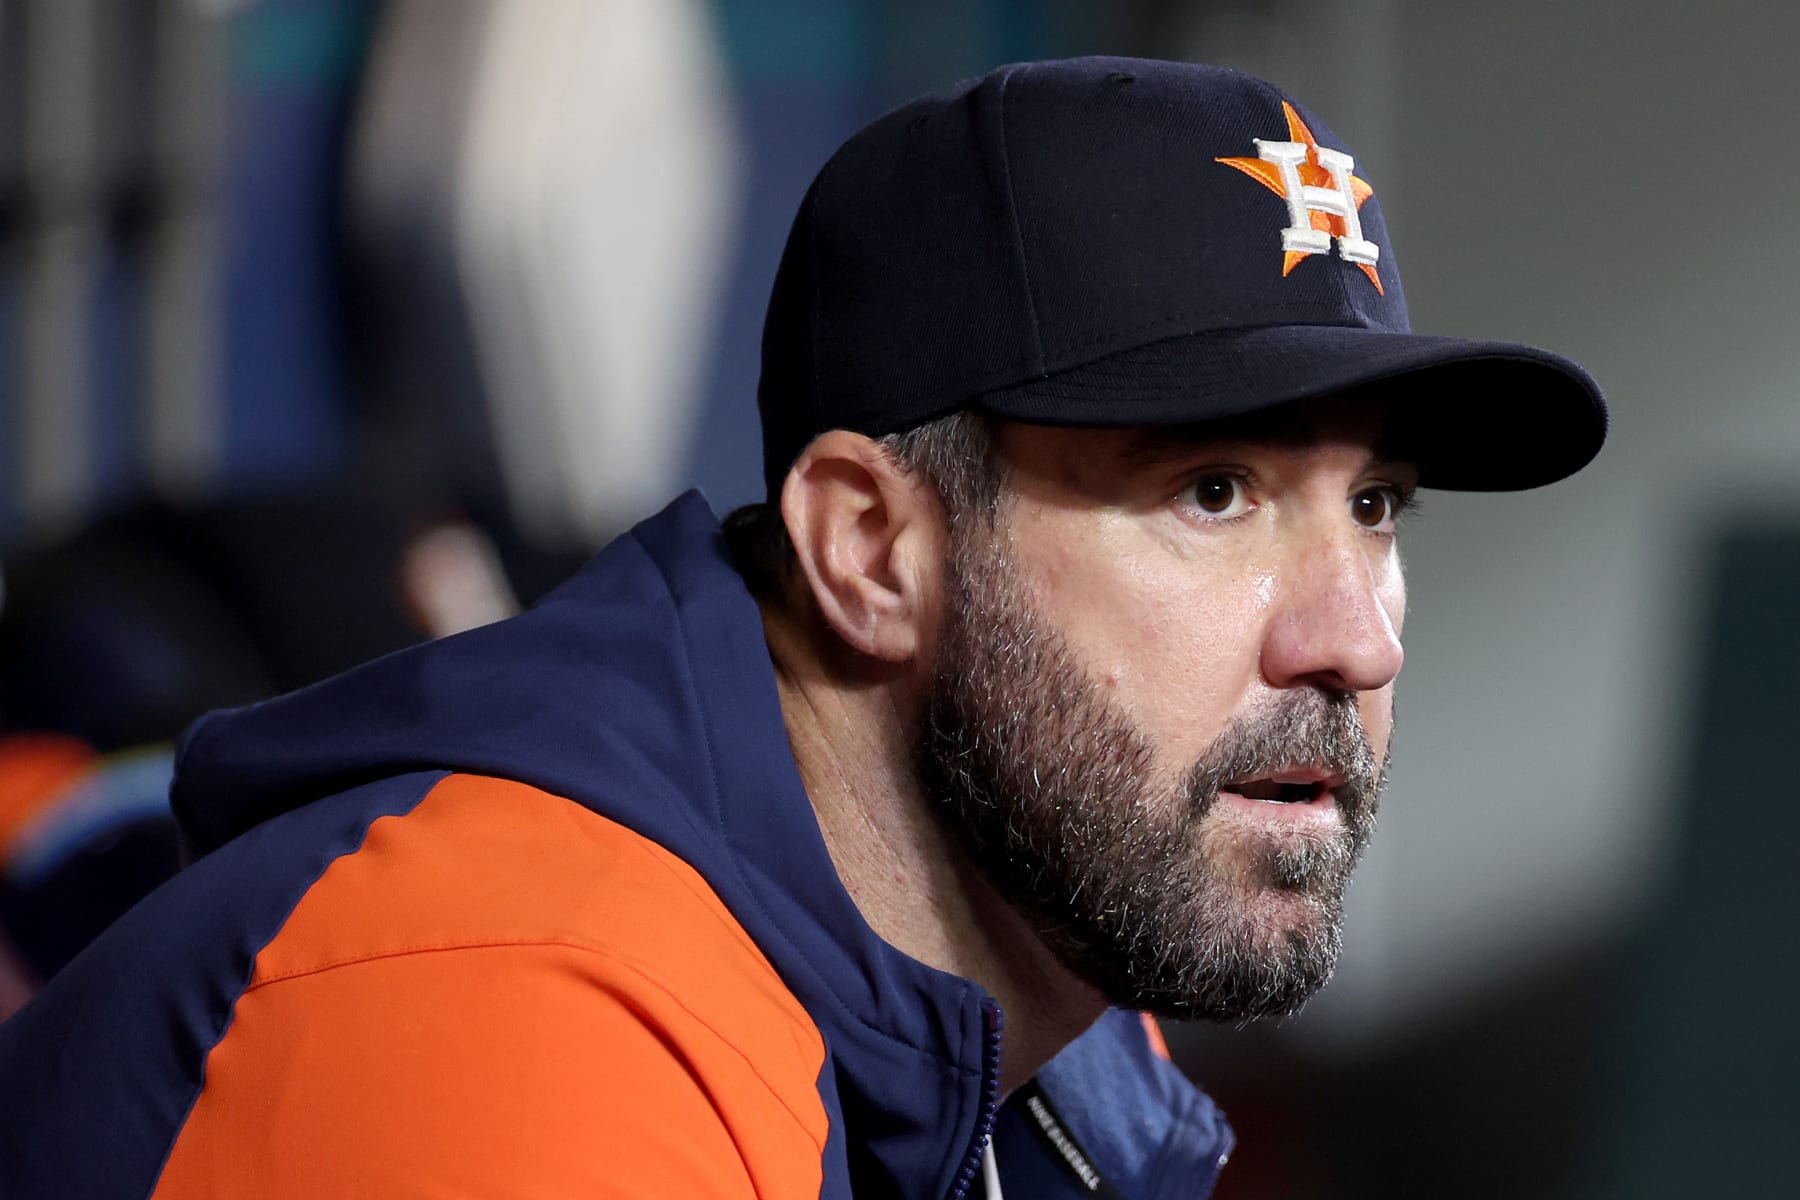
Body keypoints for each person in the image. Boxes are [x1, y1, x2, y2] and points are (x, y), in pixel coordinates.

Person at [0, 57, 1605, 1198]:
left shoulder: (1048, 1023)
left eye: (1376, 505)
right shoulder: (517, 1022)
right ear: (868, 549)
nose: (1356, 639)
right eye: (1214, 493)